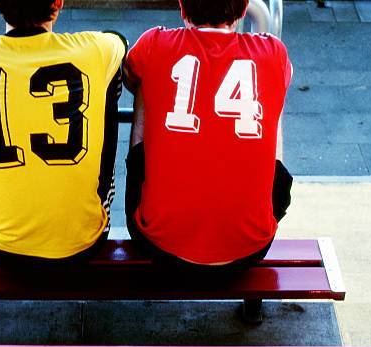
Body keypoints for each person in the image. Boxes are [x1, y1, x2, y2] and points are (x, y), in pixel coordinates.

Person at [0, 0, 126, 269]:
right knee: (109, 72)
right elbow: (118, 40)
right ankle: (94, 198)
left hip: (2, 246)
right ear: (59, 3)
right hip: (86, 242)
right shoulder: (96, 49)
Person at [124, 0, 293, 276]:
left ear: (182, 7)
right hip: (249, 248)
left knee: (146, 81)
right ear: (243, 8)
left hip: (159, 243)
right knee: (272, 92)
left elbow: (130, 76)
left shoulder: (153, 43)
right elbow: (286, 77)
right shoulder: (272, 50)